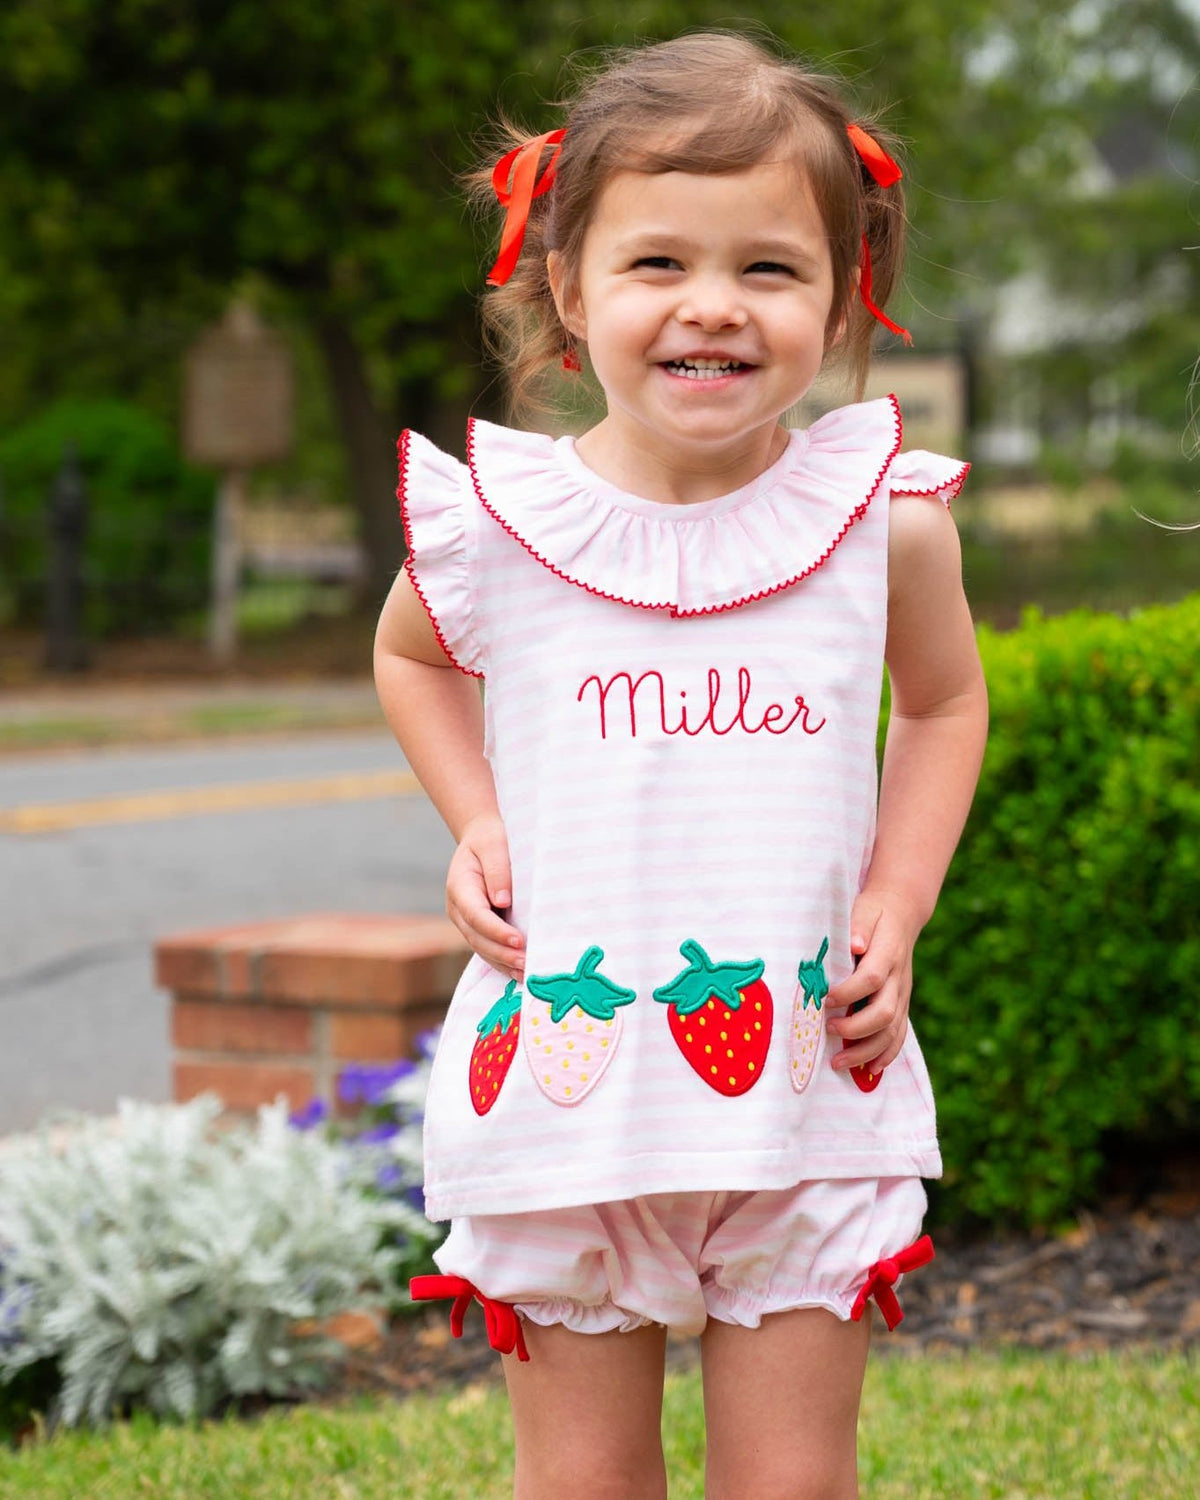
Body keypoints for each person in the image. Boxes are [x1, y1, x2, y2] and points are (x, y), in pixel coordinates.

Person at [374, 30, 988, 1500]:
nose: (712, 307)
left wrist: (897, 905)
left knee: (793, 1480)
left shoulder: (881, 521)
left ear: (845, 298)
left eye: (769, 268)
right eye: (659, 264)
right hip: (568, 1098)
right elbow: (408, 659)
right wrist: (475, 823)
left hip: (804, 1094)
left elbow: (948, 709)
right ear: (568, 286)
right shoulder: (502, 531)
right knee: (581, 1483)